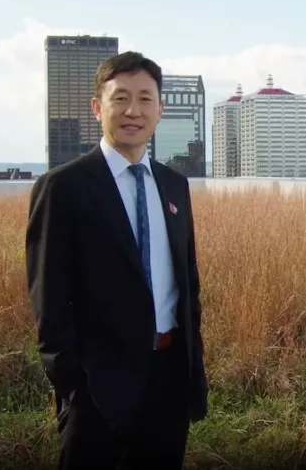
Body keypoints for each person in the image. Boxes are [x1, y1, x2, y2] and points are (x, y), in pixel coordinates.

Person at [25, 51, 208, 470]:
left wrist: (192, 366)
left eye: (145, 99)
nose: (133, 111)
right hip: (98, 384)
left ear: (160, 109)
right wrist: (74, 383)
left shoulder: (173, 185)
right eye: (120, 98)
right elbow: (47, 298)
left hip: (168, 378)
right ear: (97, 107)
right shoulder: (63, 187)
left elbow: (187, 282)